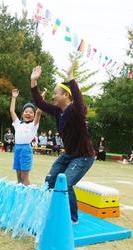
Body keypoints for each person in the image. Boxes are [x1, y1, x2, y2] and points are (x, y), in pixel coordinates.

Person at [31, 63, 95, 224]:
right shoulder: (58, 111)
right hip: (69, 155)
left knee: (65, 183)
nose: (53, 97)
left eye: (56, 94)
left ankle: (72, 218)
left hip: (83, 157)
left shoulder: (76, 110)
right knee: (50, 181)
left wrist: (71, 78)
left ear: (66, 95)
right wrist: (33, 82)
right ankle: (57, 210)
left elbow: (79, 100)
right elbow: (40, 103)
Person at [10, 88, 42, 186]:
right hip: (17, 149)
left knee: (24, 178)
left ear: (33, 115)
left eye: (31, 112)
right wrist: (14, 98)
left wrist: (41, 99)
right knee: (18, 177)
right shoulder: (18, 123)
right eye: (26, 111)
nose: (28, 113)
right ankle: (20, 195)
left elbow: (39, 112)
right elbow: (11, 111)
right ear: (22, 114)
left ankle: (28, 195)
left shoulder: (33, 125)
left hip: (26, 150)